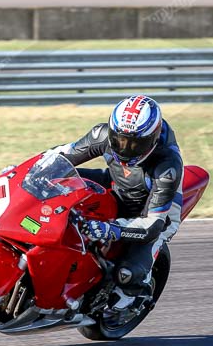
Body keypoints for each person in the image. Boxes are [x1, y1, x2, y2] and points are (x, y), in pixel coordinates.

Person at [51, 95, 184, 302]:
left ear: (152, 139)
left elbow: (152, 225)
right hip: (116, 183)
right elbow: (60, 155)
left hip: (153, 214)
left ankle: (132, 298)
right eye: (119, 140)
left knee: (127, 275)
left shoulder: (167, 167)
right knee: (58, 181)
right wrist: (27, 170)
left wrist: (111, 229)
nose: (124, 149)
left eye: (134, 144)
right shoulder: (101, 134)